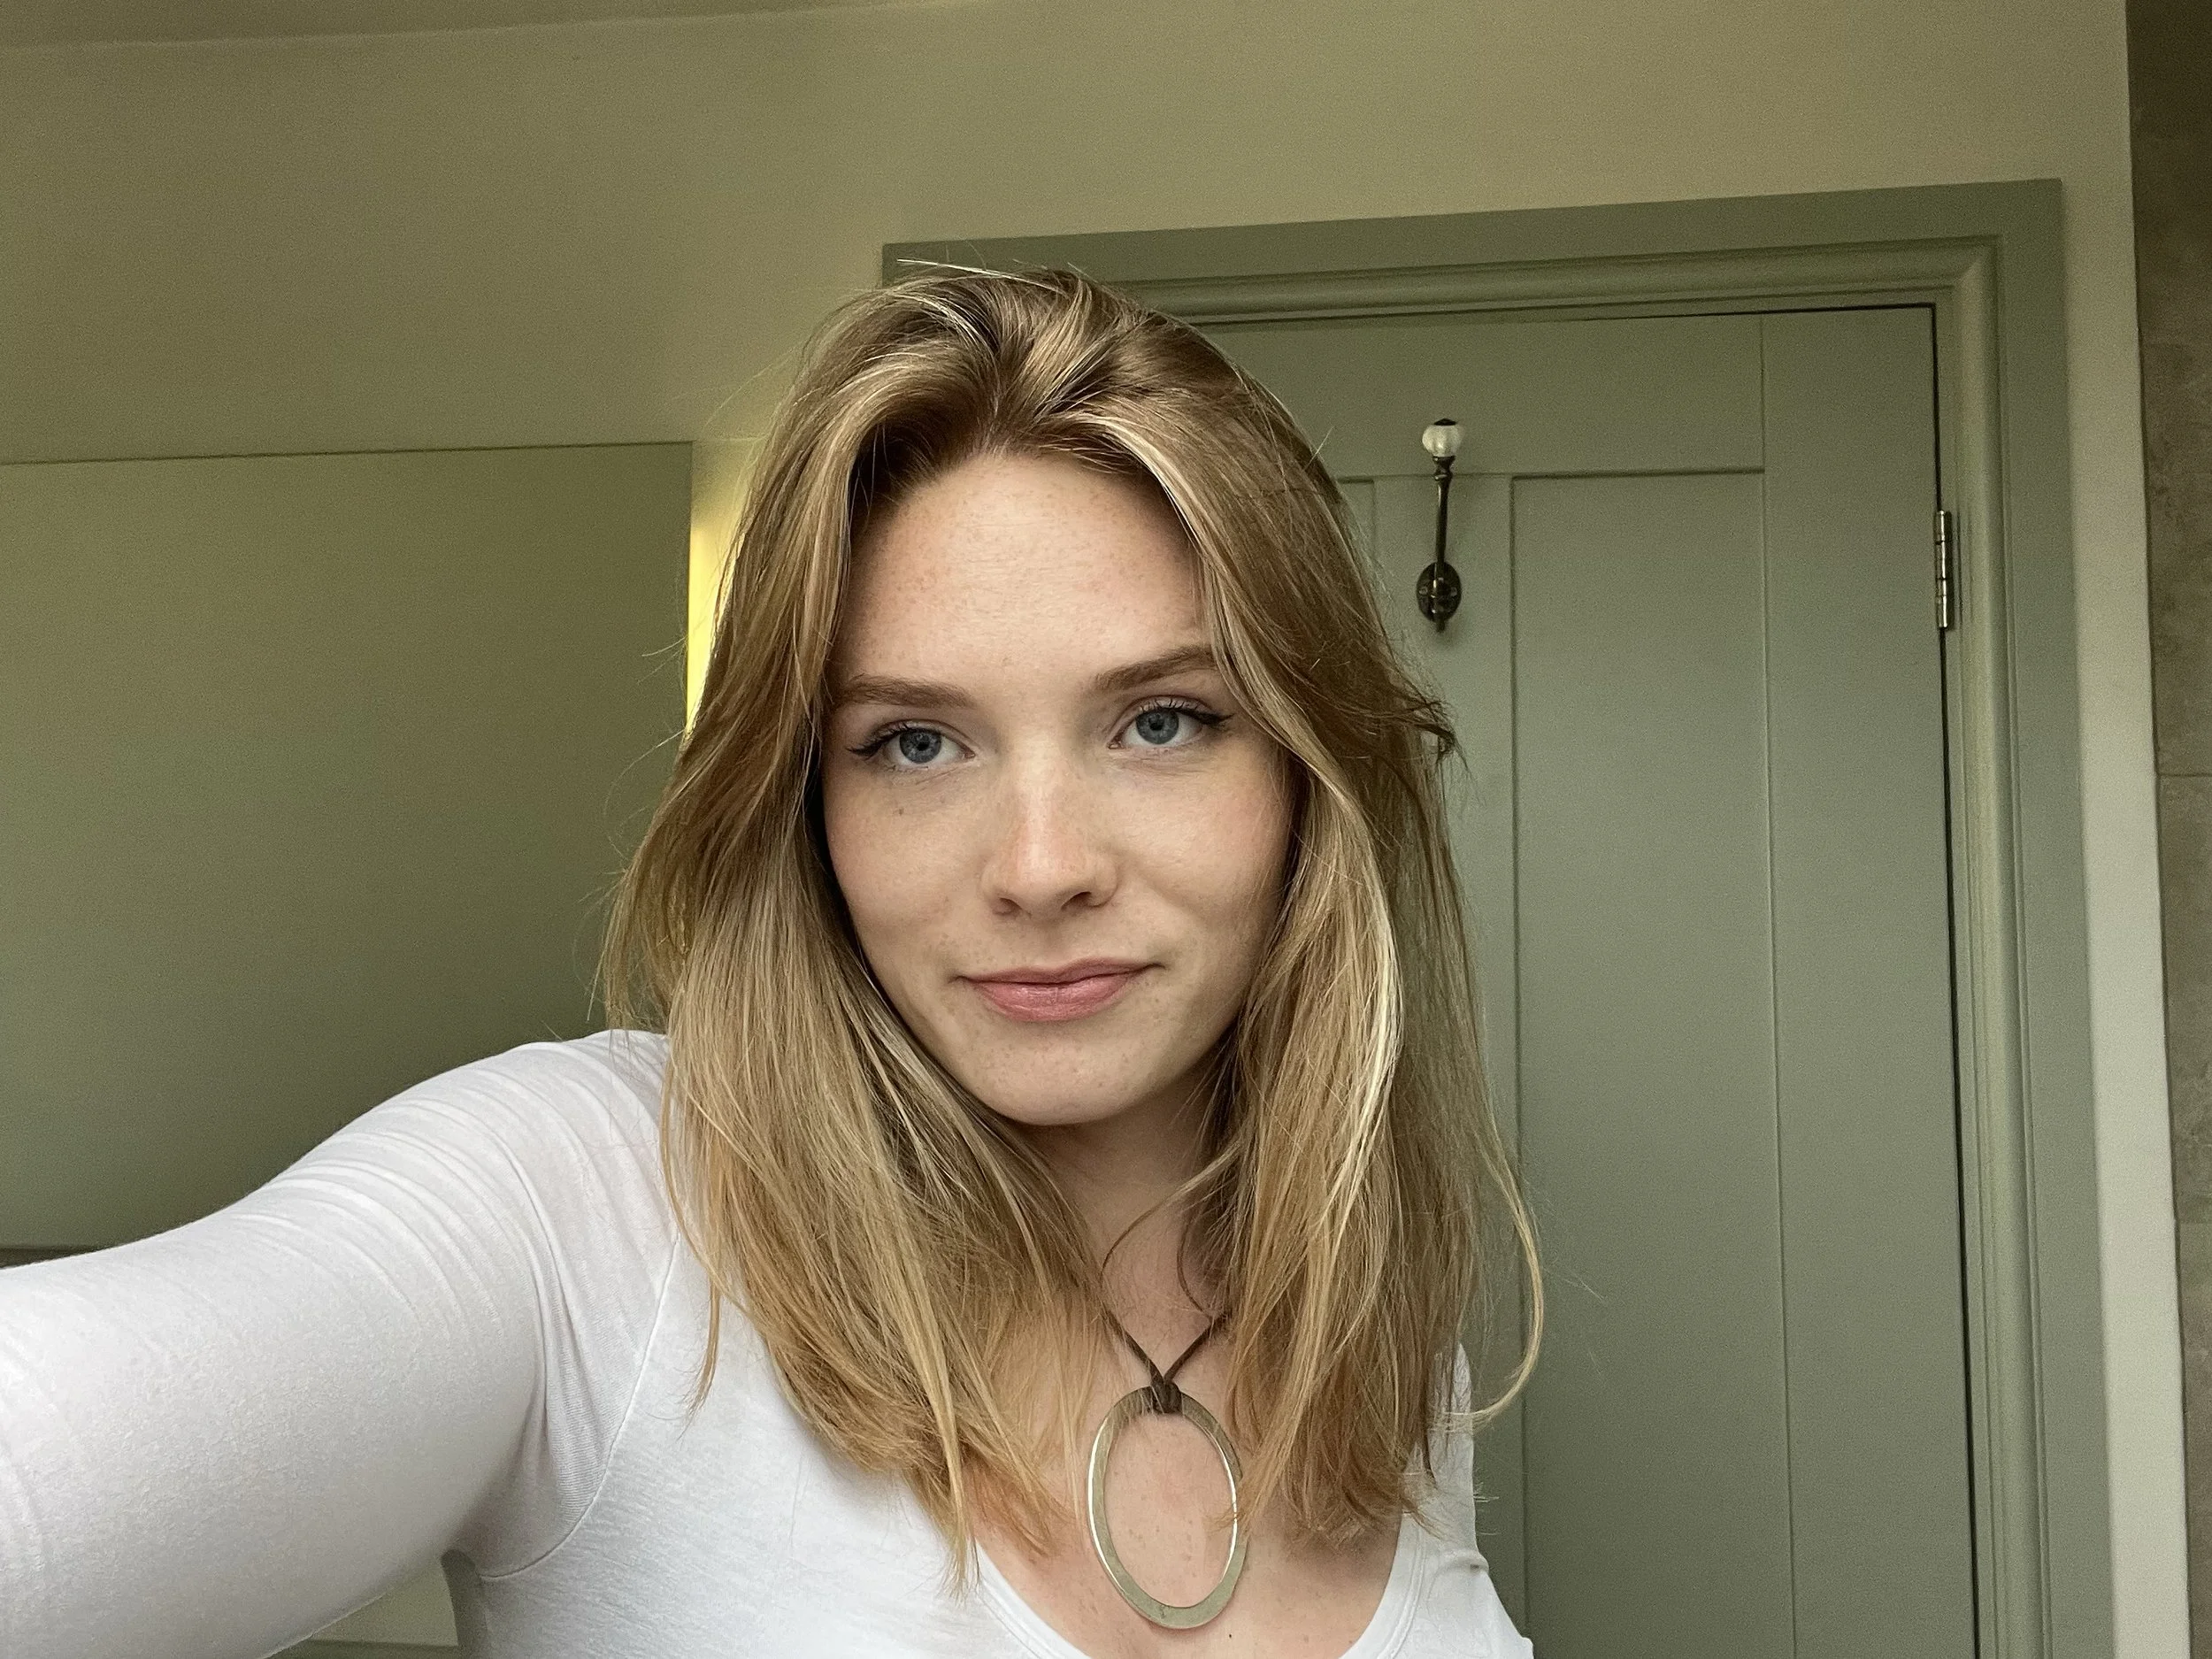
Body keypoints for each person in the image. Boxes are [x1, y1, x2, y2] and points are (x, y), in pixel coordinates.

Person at [0, 267, 1540, 1659]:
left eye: (1162, 720)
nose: (1039, 865)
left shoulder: (1363, 1325)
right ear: (805, 808)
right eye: (915, 742)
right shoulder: (597, 1214)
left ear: (1308, 782)